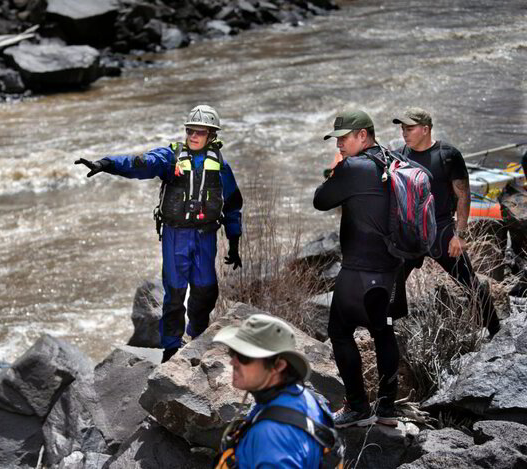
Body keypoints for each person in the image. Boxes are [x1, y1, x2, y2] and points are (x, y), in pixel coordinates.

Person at [75, 105, 243, 363]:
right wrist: (107, 164)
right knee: (174, 295)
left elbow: (232, 205)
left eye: (200, 132)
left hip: (206, 236)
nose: (193, 136)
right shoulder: (170, 158)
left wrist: (234, 242)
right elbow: (139, 164)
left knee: (206, 293)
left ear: (211, 135)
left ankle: (196, 338)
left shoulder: (220, 166)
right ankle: (171, 348)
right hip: (176, 236)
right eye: (190, 130)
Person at [313, 110, 402, 428]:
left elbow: (321, 201)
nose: (338, 144)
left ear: (363, 135)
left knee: (339, 332)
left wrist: (336, 170)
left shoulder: (352, 166)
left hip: (358, 269)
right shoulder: (392, 160)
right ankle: (388, 409)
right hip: (391, 267)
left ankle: (359, 408)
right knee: (383, 332)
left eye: (343, 138)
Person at [392, 107, 500, 338]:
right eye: (402, 128)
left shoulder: (447, 155)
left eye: (409, 128)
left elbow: (463, 195)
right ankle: (389, 331)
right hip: (410, 235)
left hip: (441, 231)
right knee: (391, 284)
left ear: (425, 129)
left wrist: (459, 235)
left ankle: (496, 331)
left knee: (469, 283)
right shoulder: (399, 155)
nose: (404, 133)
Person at [212, 313, 340, 468]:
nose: (233, 362)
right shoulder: (310, 399)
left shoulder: (270, 435)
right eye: (233, 353)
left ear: (278, 366)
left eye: (244, 357)